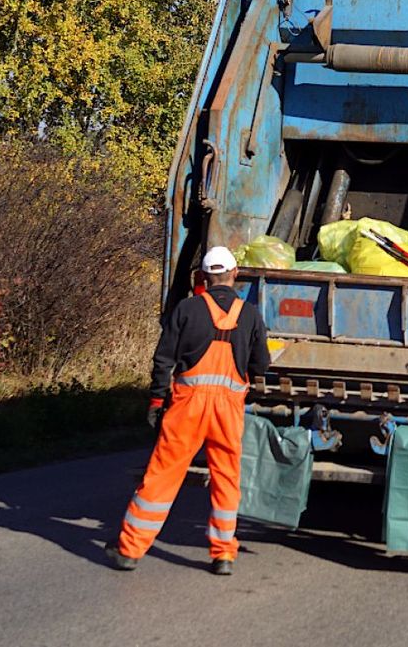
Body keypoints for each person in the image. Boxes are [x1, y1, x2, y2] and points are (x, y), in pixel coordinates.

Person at [106, 246, 270, 576]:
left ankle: (130, 550)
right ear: (235, 275)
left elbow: (163, 359)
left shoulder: (187, 309)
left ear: (203, 278)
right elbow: (261, 365)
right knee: (226, 479)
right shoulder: (250, 314)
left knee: (162, 476)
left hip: (187, 407)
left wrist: (155, 400)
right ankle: (223, 555)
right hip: (228, 410)